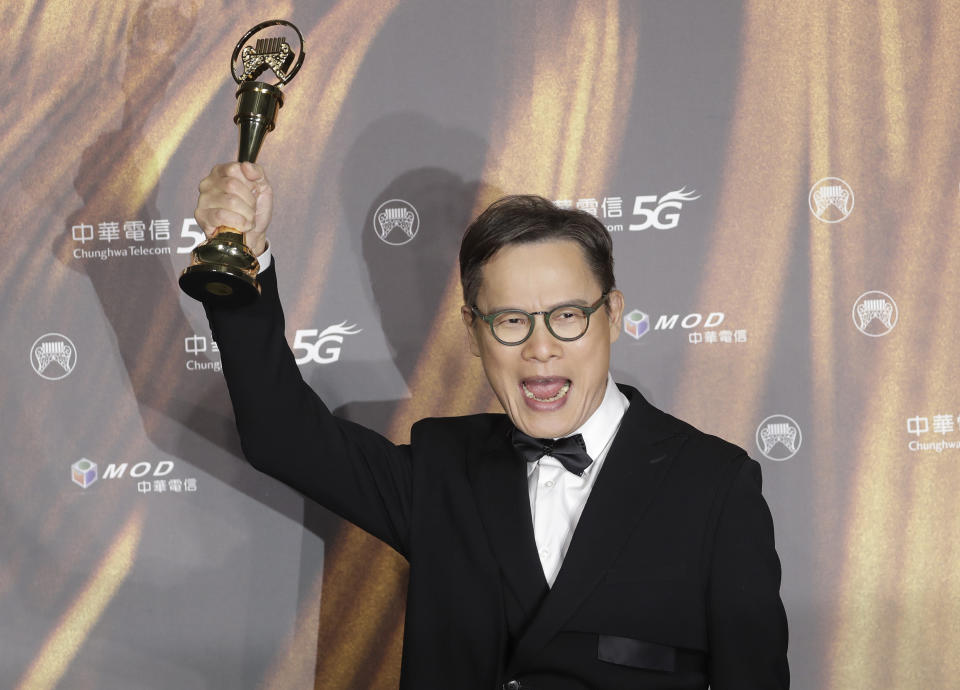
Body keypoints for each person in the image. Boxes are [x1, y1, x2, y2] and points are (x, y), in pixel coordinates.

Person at [196, 162, 789, 689]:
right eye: (509, 321)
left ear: (612, 317)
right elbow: (281, 433)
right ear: (474, 333)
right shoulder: (442, 466)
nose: (540, 348)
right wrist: (241, 258)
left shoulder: (713, 484)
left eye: (567, 317)